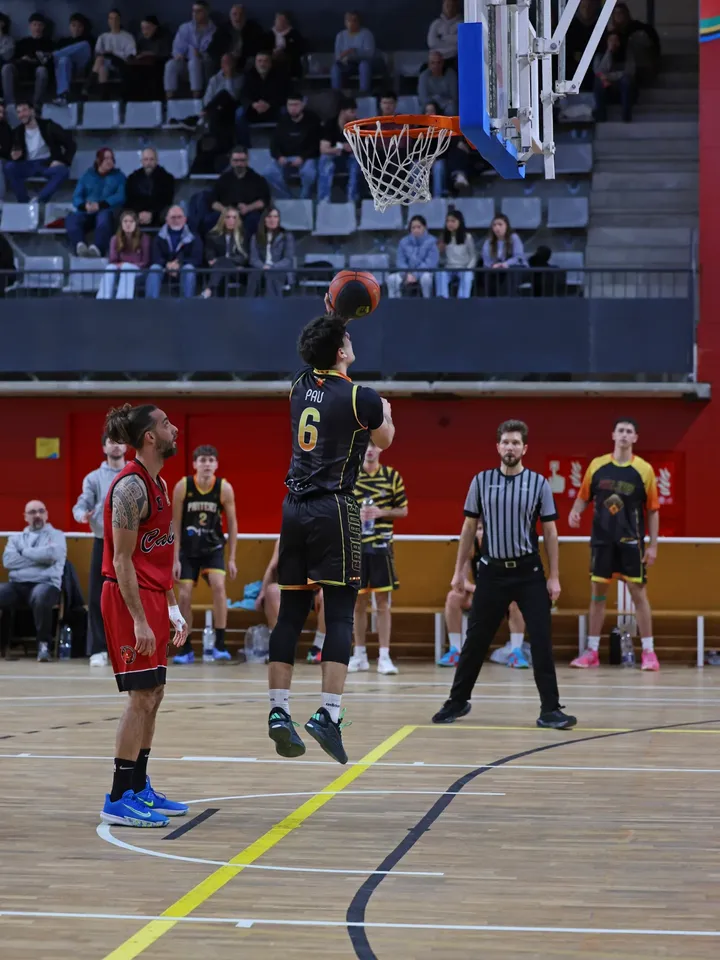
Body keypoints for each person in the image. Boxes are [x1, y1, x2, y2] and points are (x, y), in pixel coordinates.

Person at [267, 313, 394, 765]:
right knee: (339, 615)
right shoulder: (363, 397)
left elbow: (317, 350)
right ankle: (328, 714)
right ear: (340, 351)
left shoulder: (298, 385)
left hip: (293, 509)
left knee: (290, 614)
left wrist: (330, 315)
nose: (352, 340)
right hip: (334, 508)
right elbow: (386, 439)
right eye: (347, 337)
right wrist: (387, 413)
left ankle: (279, 711)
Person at [431, 419, 576, 729]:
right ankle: (457, 701)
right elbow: (468, 528)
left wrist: (554, 576)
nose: (510, 447)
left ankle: (550, 709)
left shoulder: (539, 483)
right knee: (475, 640)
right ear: (498, 447)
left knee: (541, 641)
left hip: (529, 572)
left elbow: (550, 532)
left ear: (525, 448)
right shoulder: (481, 481)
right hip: (491, 574)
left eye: (516, 443)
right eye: (506, 442)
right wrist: (458, 572)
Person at [98, 403, 189, 828]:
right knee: (139, 696)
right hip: (126, 598)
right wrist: (138, 619)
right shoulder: (130, 488)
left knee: (155, 693)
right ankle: (118, 797)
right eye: (166, 424)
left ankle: (138, 786)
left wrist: (171, 607)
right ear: (150, 437)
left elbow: (157, 556)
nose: (174, 429)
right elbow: (121, 561)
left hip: (153, 595)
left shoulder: (160, 483)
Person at [568, 418, 660, 671]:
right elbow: (583, 497)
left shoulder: (644, 470)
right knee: (597, 597)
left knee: (639, 596)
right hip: (602, 543)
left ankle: (649, 653)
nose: (624, 435)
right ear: (613, 435)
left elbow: (653, 510)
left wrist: (653, 546)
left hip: (631, 544)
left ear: (635, 438)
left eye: (629, 431)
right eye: (620, 430)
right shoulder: (597, 466)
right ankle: (592, 651)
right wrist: (575, 512)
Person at [171, 445, 238, 664]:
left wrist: (232, 558)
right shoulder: (183, 486)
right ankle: (186, 647)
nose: (207, 464)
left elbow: (233, 524)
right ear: (194, 464)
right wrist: (174, 558)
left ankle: (220, 644)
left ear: (216, 464)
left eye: (210, 460)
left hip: (212, 548)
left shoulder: (223, 488)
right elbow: (175, 524)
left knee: (219, 587)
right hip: (188, 550)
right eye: (202, 460)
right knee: (184, 595)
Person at [349, 441, 408, 675]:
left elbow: (403, 510)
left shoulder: (392, 476)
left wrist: (380, 512)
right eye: (366, 445)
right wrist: (357, 513)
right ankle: (359, 655)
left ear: (381, 448)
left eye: (374, 445)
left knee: (383, 604)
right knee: (358, 603)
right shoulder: (350, 475)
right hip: (356, 547)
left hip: (382, 547)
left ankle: (384, 656)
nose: (370, 450)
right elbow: (339, 508)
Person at [439, 523, 528, 668]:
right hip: (479, 595)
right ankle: (455, 650)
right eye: (479, 529)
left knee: (516, 600)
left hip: (501, 596)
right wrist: (479, 589)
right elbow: (463, 581)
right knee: (453, 597)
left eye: (486, 529)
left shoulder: (505, 549)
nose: (482, 533)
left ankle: (516, 652)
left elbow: (513, 580)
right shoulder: (471, 549)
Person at [72, 434, 127, 666]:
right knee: (98, 596)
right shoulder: (94, 478)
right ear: (104, 447)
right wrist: (81, 515)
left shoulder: (135, 474)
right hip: (103, 542)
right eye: (111, 442)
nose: (116, 446)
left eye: (120, 441)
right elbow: (81, 504)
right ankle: (98, 648)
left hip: (130, 544)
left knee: (130, 595)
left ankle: (128, 647)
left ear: (126, 446)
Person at [0, 501, 67, 663]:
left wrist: (23, 552)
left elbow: (51, 556)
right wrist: (39, 558)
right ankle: (2, 645)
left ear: (46, 514)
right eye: (32, 512)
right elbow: (8, 561)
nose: (37, 515)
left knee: (40, 596)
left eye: (41, 511)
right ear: (25, 517)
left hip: (47, 584)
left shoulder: (57, 535)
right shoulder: (16, 538)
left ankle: (44, 646)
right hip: (17, 585)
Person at [257, 539, 328, 660]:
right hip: (291, 589)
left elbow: (331, 570)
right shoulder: (283, 540)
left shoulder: (324, 537)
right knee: (271, 591)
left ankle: (318, 647)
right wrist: (262, 592)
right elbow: (272, 568)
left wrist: (323, 587)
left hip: (315, 590)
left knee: (328, 594)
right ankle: (281, 646)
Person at [4, 101, 75, 204]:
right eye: (18, 112)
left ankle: (39, 200)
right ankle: (23, 202)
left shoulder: (48, 126)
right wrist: (13, 157)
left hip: (46, 163)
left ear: (32, 111)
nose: (21, 115)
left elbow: (71, 144)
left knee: (63, 171)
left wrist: (62, 161)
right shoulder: (17, 132)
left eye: (24, 110)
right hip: (28, 164)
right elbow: (11, 152)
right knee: (9, 167)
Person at [66, 147, 126, 257]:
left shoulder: (119, 177)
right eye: (106, 158)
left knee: (103, 218)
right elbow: (77, 196)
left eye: (111, 158)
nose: (109, 161)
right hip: (87, 212)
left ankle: (98, 248)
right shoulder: (87, 175)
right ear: (98, 160)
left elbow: (121, 196)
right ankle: (80, 245)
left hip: (107, 211)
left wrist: (101, 205)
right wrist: (85, 206)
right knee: (72, 218)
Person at [205, 146, 271, 238]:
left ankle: (246, 245)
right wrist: (225, 210)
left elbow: (265, 200)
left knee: (254, 220)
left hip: (248, 213)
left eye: (242, 160)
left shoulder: (258, 179)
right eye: (236, 160)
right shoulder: (223, 179)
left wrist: (248, 208)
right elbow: (212, 201)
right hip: (226, 212)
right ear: (231, 161)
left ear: (247, 161)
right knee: (209, 220)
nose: (239, 164)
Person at [265, 93, 320, 200]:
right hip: (285, 157)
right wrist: (279, 157)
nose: (293, 108)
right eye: (290, 105)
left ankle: (304, 198)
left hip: (306, 158)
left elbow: (316, 144)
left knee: (309, 173)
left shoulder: (312, 120)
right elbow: (274, 144)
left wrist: (302, 157)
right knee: (268, 173)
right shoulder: (282, 121)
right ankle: (287, 198)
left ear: (302, 105)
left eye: (296, 105)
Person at [145, 205, 203, 299]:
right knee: (154, 268)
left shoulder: (194, 236)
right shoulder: (158, 236)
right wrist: (167, 264)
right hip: (164, 268)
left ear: (185, 219)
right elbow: (155, 256)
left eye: (179, 217)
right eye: (173, 217)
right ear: (167, 220)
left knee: (189, 269)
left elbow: (197, 258)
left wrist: (179, 264)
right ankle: (150, 303)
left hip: (184, 267)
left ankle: (187, 303)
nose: (176, 220)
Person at [235, 51, 290, 145]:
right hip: (254, 111)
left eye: (265, 61)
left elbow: (285, 95)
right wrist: (253, 104)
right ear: (255, 63)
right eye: (259, 61)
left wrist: (269, 104)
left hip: (273, 110)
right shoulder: (249, 75)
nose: (262, 64)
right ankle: (244, 147)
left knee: (286, 112)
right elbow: (243, 96)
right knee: (239, 113)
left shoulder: (280, 76)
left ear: (270, 63)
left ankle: (283, 145)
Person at [164, 0, 216, 99]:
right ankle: (169, 99)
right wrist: (178, 55)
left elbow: (213, 52)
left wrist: (200, 55)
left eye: (199, 11)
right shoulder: (185, 28)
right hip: (184, 62)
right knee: (170, 65)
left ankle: (196, 97)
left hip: (204, 64)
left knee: (194, 63)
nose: (195, 14)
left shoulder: (214, 31)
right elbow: (177, 48)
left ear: (206, 12)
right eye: (193, 11)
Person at [0, 12, 52, 107]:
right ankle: (10, 104)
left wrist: (35, 61)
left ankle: (36, 105)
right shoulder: (23, 42)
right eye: (34, 24)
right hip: (21, 69)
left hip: (37, 69)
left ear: (43, 27)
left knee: (42, 70)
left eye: (40, 25)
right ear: (30, 26)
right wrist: (22, 59)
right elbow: (13, 59)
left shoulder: (48, 43)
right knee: (6, 68)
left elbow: (50, 61)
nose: (37, 27)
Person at [96, 210, 151, 300]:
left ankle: (123, 299)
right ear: (121, 224)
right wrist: (120, 265)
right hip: (120, 268)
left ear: (136, 224)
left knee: (127, 267)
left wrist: (126, 264)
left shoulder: (144, 238)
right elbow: (113, 260)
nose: (128, 224)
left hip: (139, 270)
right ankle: (103, 298)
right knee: (110, 268)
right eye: (125, 221)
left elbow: (145, 262)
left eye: (131, 221)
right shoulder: (115, 239)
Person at [318, 98, 360, 203]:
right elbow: (324, 149)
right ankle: (324, 200)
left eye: (355, 112)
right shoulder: (330, 124)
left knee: (357, 161)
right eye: (351, 112)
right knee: (325, 160)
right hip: (334, 156)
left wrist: (352, 148)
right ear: (342, 112)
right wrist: (341, 147)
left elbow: (362, 148)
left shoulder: (358, 125)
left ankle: (352, 199)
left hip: (350, 158)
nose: (354, 115)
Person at [387, 215, 439, 299]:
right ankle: (395, 304)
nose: (416, 230)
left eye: (419, 227)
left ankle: (428, 302)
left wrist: (415, 275)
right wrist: (407, 274)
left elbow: (430, 263)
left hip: (424, 272)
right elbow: (400, 261)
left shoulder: (431, 242)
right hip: (407, 273)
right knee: (392, 279)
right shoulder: (403, 242)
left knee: (426, 278)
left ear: (425, 227)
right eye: (413, 228)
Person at [247, 206, 295, 297]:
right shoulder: (256, 237)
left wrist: (272, 267)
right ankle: (249, 302)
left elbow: (288, 259)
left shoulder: (286, 236)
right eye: (269, 217)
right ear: (264, 219)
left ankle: (272, 303)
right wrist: (263, 266)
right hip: (261, 269)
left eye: (275, 217)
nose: (272, 220)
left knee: (271, 274)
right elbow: (253, 259)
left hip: (280, 271)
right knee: (254, 275)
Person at [88, 9, 137, 97]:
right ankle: (104, 95)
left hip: (121, 63)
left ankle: (89, 85)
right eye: (111, 18)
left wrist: (114, 53)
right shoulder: (103, 37)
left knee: (101, 60)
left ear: (120, 20)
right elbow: (97, 53)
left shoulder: (127, 36)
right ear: (108, 21)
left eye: (116, 18)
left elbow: (131, 54)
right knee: (102, 66)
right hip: (106, 62)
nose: (114, 21)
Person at [201, 206, 248, 298]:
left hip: (237, 271)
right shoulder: (213, 235)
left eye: (234, 218)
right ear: (223, 219)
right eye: (228, 217)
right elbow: (209, 252)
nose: (231, 220)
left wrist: (223, 260)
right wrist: (212, 259)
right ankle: (212, 292)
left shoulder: (243, 235)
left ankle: (208, 290)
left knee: (222, 261)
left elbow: (243, 257)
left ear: (238, 220)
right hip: (218, 270)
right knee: (221, 267)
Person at [50, 13, 94, 107]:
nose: (76, 28)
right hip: (65, 69)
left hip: (81, 68)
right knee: (64, 59)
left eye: (79, 26)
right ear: (70, 27)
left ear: (83, 28)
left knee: (85, 45)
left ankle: (51, 55)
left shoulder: (89, 39)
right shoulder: (63, 41)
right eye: (74, 25)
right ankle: (63, 96)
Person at [125, 147, 176, 229]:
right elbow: (130, 199)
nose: (148, 163)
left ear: (156, 161)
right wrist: (139, 213)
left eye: (151, 159)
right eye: (146, 159)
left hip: (159, 213)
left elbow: (167, 200)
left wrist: (152, 214)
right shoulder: (132, 178)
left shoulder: (167, 178)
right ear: (142, 161)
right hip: (137, 213)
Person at [124, 15, 171, 102]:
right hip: (142, 65)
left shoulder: (164, 36)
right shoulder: (141, 38)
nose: (144, 31)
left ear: (155, 27)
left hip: (159, 65)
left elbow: (165, 54)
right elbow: (136, 52)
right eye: (143, 28)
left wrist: (150, 54)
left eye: (147, 28)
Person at [593, 31, 636, 124]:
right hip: (606, 87)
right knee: (598, 81)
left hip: (623, 87)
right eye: (611, 40)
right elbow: (598, 71)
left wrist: (608, 76)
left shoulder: (627, 53)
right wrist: (609, 52)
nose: (613, 43)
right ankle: (601, 116)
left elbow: (630, 71)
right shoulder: (600, 54)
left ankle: (626, 116)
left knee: (626, 80)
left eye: (616, 40)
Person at [210, 3, 267, 71]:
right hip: (226, 63)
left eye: (241, 14)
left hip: (245, 63)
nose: (238, 17)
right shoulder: (222, 30)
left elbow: (262, 48)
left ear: (245, 17)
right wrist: (225, 56)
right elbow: (212, 49)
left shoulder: (255, 29)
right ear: (230, 17)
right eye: (235, 14)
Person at [331, 11, 378, 94]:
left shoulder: (366, 34)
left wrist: (353, 51)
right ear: (345, 22)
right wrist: (343, 58)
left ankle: (364, 94)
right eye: (348, 20)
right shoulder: (340, 36)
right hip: (348, 65)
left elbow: (370, 54)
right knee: (335, 68)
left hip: (365, 64)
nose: (351, 23)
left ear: (359, 22)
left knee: (364, 65)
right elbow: (338, 56)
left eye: (354, 20)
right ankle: (336, 94)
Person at [482, 213, 526, 296]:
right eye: (494, 225)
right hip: (497, 268)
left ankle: (507, 299)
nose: (497, 227)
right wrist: (493, 265)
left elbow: (518, 257)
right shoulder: (489, 241)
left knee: (511, 272)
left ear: (506, 226)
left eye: (500, 224)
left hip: (515, 267)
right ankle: (490, 300)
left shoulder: (514, 238)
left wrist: (505, 264)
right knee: (489, 274)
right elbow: (486, 259)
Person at [436, 209, 476, 298]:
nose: (450, 224)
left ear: (460, 222)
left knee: (467, 275)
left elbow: (473, 256)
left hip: (463, 268)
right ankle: (442, 299)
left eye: (453, 221)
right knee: (440, 273)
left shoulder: (467, 237)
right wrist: (440, 252)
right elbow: (441, 260)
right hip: (448, 268)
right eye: (448, 221)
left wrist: (468, 268)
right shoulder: (443, 237)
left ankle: (462, 300)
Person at [418, 50, 457, 117]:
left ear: (442, 63)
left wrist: (444, 102)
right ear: (429, 64)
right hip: (431, 104)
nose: (436, 66)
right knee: (429, 109)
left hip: (447, 104)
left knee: (452, 108)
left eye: (439, 62)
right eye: (433, 63)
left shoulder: (450, 74)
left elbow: (454, 95)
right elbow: (423, 97)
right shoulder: (424, 76)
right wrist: (431, 104)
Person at [427, 0, 462, 67]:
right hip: (436, 60)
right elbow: (431, 43)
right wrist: (452, 41)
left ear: (457, 7)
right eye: (447, 6)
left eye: (453, 6)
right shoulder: (436, 23)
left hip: (454, 60)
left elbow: (460, 44)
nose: (450, 9)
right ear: (443, 7)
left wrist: (443, 38)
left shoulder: (461, 24)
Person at [271, 11, 305, 80]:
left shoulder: (295, 34)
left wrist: (284, 52)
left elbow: (301, 49)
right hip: (272, 65)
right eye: (278, 19)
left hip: (291, 66)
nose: (279, 22)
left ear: (287, 21)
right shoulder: (269, 34)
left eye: (282, 20)